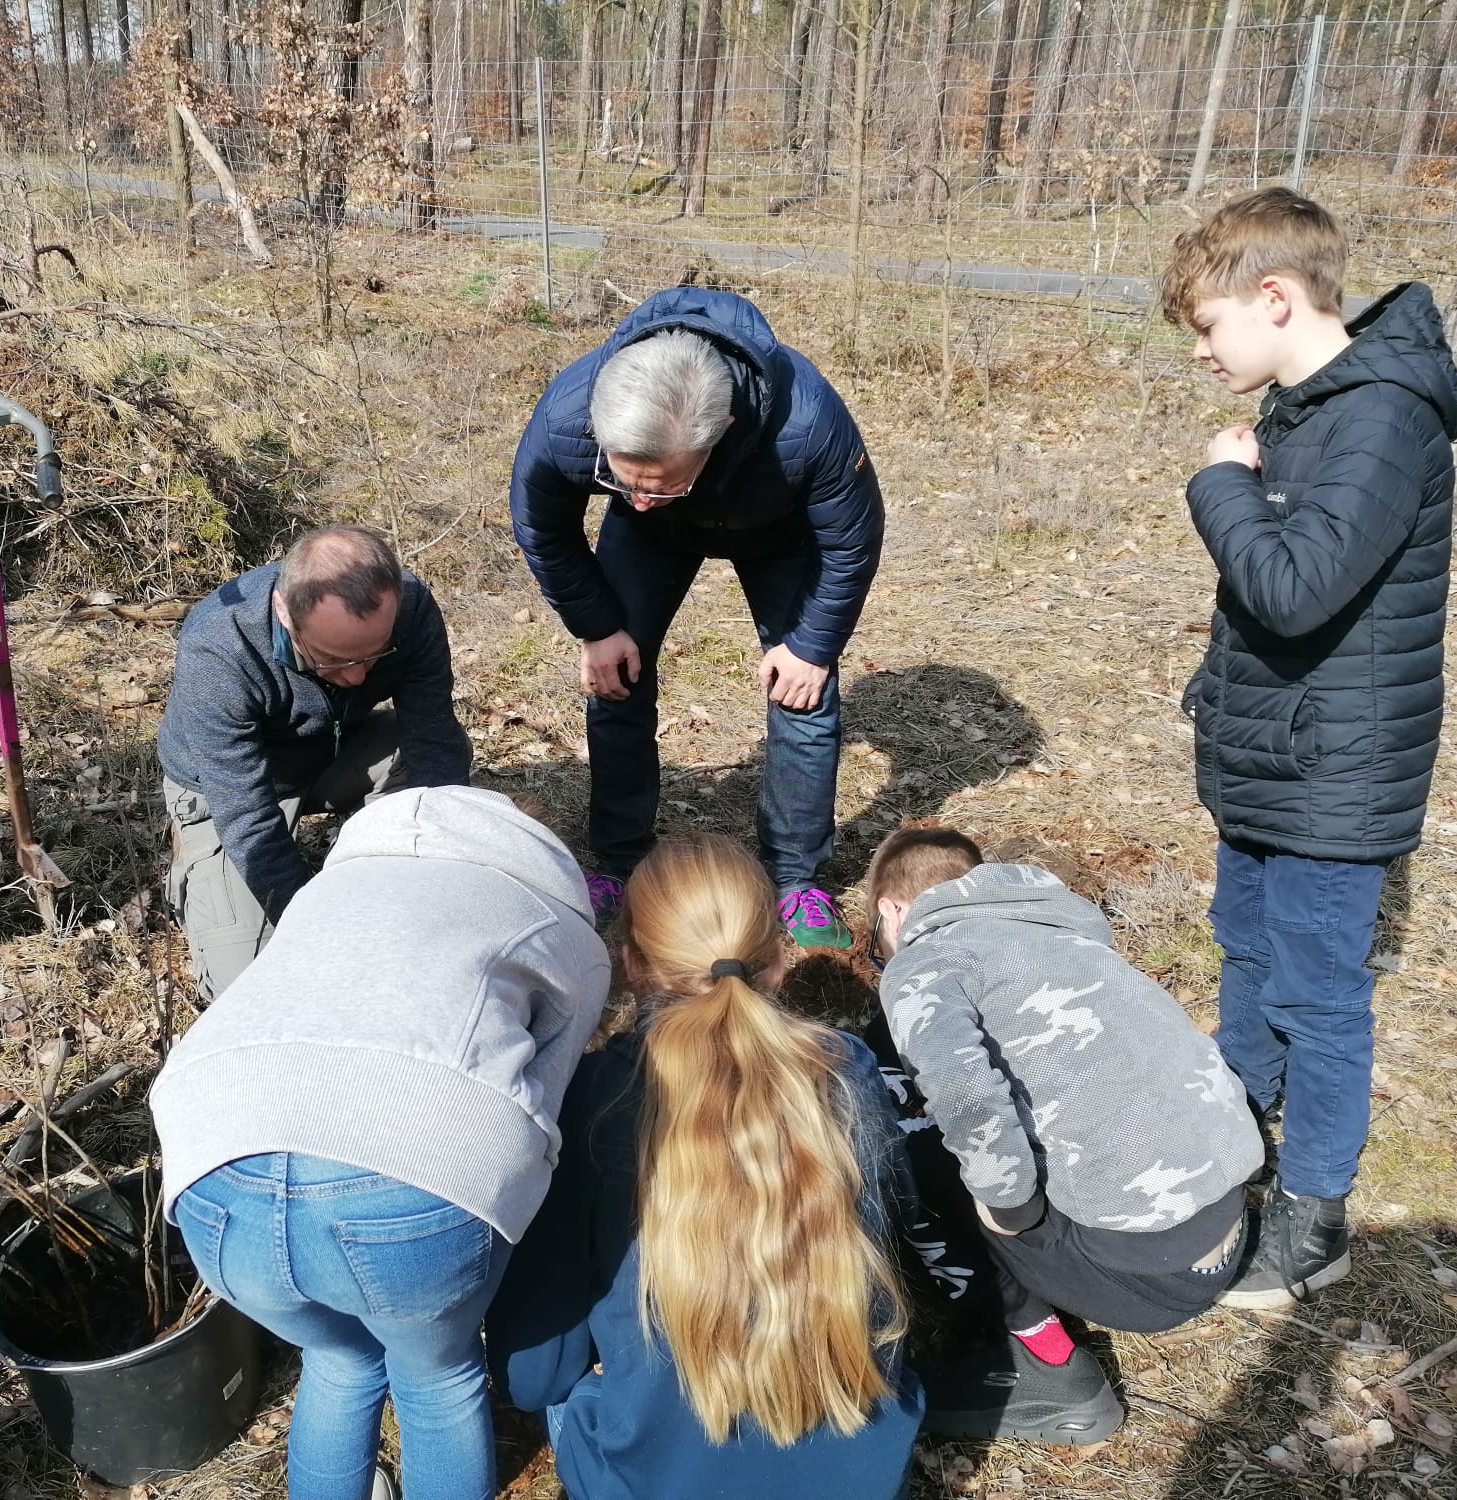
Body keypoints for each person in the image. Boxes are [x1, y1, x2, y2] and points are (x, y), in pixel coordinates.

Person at [1160, 188, 1457, 1307]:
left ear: (1274, 298)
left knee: (1318, 995)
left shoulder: (1379, 418)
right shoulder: (1305, 407)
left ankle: (1312, 1217)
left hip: (1334, 772)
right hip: (1272, 758)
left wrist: (1217, 486)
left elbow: (1290, 592)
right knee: (1244, 955)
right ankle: (1234, 1155)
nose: (1201, 350)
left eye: (1208, 325)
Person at [150, 786, 609, 1500]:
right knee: (435, 1375)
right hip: (415, 1175)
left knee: (339, 1361)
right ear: (535, 849)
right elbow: (548, 1113)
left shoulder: (325, 892)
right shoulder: (560, 926)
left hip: (213, 1163)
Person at [489, 835, 925, 1499]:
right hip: (862, 1466)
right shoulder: (848, 1069)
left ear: (630, 960)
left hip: (657, 1477)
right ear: (781, 958)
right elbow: (894, 1221)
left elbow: (535, 1374)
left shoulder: (594, 1099)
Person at [510, 288, 884, 947]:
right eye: (622, 479)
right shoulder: (569, 417)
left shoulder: (806, 424)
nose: (639, 498)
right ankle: (622, 861)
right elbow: (543, 527)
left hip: (777, 529)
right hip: (649, 546)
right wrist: (596, 627)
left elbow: (851, 539)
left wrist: (814, 645)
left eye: (661, 484)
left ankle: (796, 879)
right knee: (616, 678)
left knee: (803, 694)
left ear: (723, 434)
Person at [868, 826, 1261, 1443]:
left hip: (1146, 1279)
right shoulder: (1066, 936)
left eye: (877, 938)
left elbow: (969, 1099)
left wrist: (1012, 1213)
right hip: (1229, 1227)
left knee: (914, 1132)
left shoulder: (924, 962)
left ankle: (1046, 1364)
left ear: (893, 909)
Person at [157, 525, 472, 1000]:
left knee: (422, 759)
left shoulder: (411, 605)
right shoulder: (219, 648)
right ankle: (203, 884)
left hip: (332, 751)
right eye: (331, 659)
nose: (356, 675)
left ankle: (392, 869)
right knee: (246, 987)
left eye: (374, 655)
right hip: (223, 791)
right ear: (285, 610)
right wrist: (315, 926)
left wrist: (444, 871)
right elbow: (247, 818)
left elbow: (433, 738)